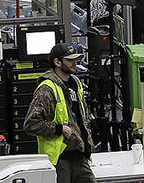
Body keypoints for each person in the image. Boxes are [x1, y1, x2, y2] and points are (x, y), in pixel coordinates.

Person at [22, 43, 94, 183]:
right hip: (60, 160)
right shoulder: (47, 89)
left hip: (79, 156)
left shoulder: (76, 83)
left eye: (76, 59)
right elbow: (31, 124)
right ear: (57, 62)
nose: (75, 63)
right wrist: (60, 129)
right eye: (70, 60)